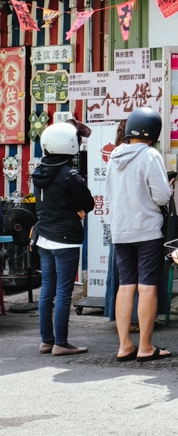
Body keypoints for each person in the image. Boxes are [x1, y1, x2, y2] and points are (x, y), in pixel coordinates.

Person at [107, 107, 172, 362]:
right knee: (147, 288)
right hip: (146, 230)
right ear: (153, 132)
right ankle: (145, 346)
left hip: (120, 230)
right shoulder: (150, 155)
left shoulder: (114, 156)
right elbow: (162, 196)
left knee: (125, 287)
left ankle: (124, 345)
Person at [32, 122, 96, 356]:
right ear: (71, 145)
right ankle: (61, 343)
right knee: (64, 291)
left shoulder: (38, 172)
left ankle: (46, 341)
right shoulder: (70, 175)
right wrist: (76, 211)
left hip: (43, 237)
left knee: (47, 288)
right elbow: (88, 203)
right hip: (65, 239)